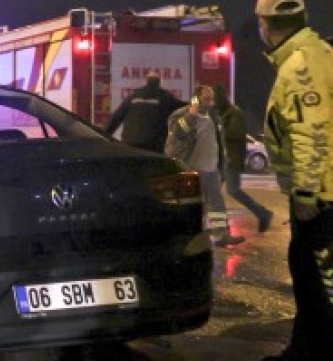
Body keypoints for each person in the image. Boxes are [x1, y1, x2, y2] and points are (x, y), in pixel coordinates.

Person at [253, 0, 333, 361]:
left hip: (322, 198)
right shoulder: (313, 55)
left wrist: (305, 195)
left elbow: (311, 133)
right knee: (306, 276)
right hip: (323, 193)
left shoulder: (301, 65)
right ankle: (303, 353)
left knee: (321, 286)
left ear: (265, 25)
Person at [166, 84, 242, 247]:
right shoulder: (180, 114)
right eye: (206, 99)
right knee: (190, 204)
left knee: (216, 204)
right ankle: (187, 237)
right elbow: (177, 134)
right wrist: (191, 115)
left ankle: (221, 235)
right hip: (189, 168)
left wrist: (222, 166)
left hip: (211, 169)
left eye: (211, 99)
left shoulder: (213, 116)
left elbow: (219, 142)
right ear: (196, 98)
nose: (209, 102)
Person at [213, 83, 273, 233]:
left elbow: (236, 134)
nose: (214, 103)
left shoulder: (233, 113)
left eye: (216, 99)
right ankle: (219, 226)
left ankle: (263, 213)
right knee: (213, 193)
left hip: (231, 159)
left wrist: (218, 131)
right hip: (223, 159)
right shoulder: (224, 113)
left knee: (233, 191)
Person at [105, 71, 186, 152]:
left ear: (146, 81)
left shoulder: (133, 96)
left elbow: (116, 118)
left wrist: (105, 136)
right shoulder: (165, 97)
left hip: (130, 143)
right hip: (153, 144)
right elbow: (183, 108)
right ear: (160, 82)